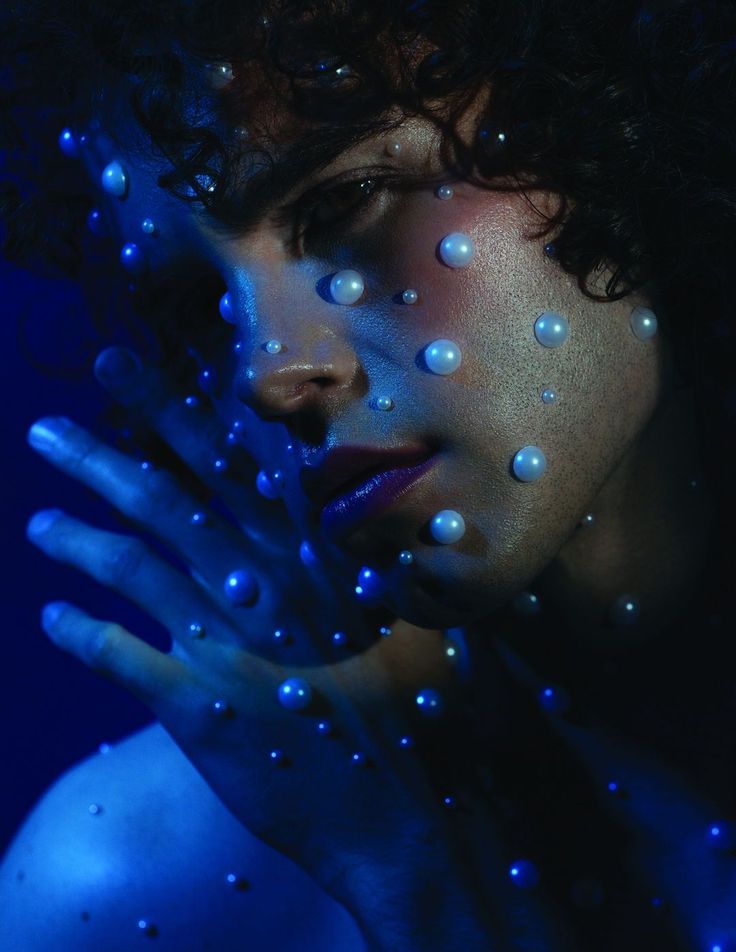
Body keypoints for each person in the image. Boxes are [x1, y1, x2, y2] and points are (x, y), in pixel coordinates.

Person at [1, 0, 735, 948]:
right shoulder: (134, 886)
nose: (264, 372)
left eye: (341, 201)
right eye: (193, 308)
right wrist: (404, 887)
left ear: (609, 124)